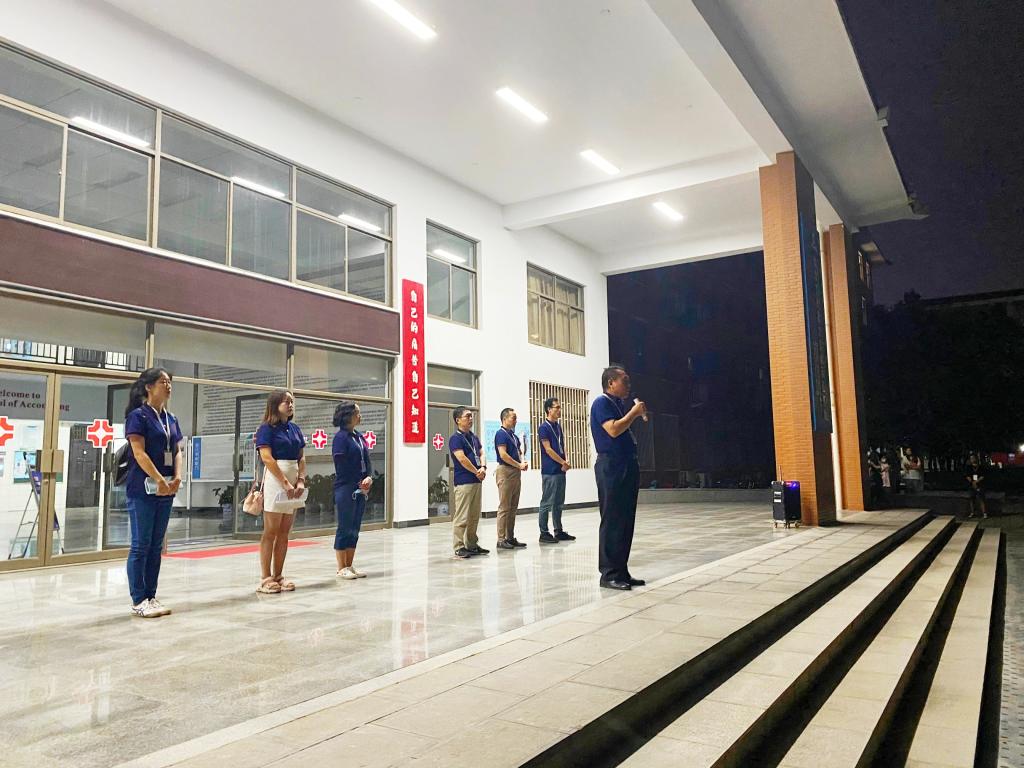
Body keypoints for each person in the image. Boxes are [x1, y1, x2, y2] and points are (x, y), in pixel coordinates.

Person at [124, 367, 183, 618]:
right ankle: (139, 599)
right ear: (149, 387)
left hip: (166, 488)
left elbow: (177, 450)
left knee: (156, 545)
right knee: (141, 545)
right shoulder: (138, 416)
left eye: (169, 382)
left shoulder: (171, 419)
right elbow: (139, 453)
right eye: (162, 382)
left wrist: (177, 476)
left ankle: (151, 595)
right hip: (143, 488)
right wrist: (158, 479)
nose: (168, 386)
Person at [590, 366, 647, 590]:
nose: (628, 384)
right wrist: (633, 414)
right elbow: (613, 430)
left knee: (625, 520)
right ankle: (609, 574)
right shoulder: (601, 403)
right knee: (613, 519)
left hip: (626, 463)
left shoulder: (617, 404)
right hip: (611, 466)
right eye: (624, 380)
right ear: (611, 382)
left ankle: (621, 570)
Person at [254, 390, 306, 593]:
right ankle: (265, 577)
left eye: (292, 401)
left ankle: (278, 575)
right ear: (275, 405)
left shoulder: (295, 428)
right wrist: (284, 482)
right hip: (276, 479)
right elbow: (267, 458)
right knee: (271, 530)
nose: (290, 404)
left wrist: (300, 480)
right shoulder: (266, 428)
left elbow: (301, 457)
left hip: (293, 477)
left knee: (285, 531)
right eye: (286, 402)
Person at [332, 401, 373, 578]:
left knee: (355, 527)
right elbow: (341, 465)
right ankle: (341, 567)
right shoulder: (341, 438)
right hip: (346, 487)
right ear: (348, 415)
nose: (360, 415)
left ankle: (350, 565)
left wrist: (369, 476)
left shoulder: (359, 436)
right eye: (357, 412)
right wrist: (358, 481)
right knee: (345, 526)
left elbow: (367, 460)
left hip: (361, 487)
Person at [449, 407, 488, 559]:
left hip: (477, 480)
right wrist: (476, 471)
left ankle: (471, 544)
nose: (471, 419)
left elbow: (482, 452)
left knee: (474, 515)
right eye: (467, 416)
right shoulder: (455, 439)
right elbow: (461, 458)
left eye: (471, 416)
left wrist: (483, 467)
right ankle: (459, 546)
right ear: (458, 420)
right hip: (464, 481)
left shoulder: (473, 437)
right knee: (462, 516)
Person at [537, 396, 574, 544]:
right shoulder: (543, 427)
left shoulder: (558, 426)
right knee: (547, 502)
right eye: (557, 407)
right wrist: (562, 462)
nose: (559, 410)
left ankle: (558, 530)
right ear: (549, 409)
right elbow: (548, 449)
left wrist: (566, 461)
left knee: (559, 502)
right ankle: (544, 533)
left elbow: (561, 446)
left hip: (561, 469)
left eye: (560, 407)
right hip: (550, 471)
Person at [494, 407, 528, 550]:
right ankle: (501, 539)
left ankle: (510, 537)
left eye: (516, 418)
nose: (515, 420)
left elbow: (518, 452)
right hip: (506, 471)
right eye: (513, 418)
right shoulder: (500, 434)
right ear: (504, 419)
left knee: (513, 507)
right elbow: (503, 455)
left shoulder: (513, 436)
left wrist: (522, 463)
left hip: (515, 472)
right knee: (504, 507)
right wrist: (518, 465)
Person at [966, 453, 987, 519]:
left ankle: (984, 513)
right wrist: (972, 482)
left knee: (981, 499)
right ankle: (972, 512)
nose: (972, 460)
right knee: (971, 498)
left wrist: (977, 481)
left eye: (973, 458)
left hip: (980, 485)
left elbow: (983, 476)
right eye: (971, 458)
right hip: (971, 485)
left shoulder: (980, 467)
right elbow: (967, 476)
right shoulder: (968, 468)